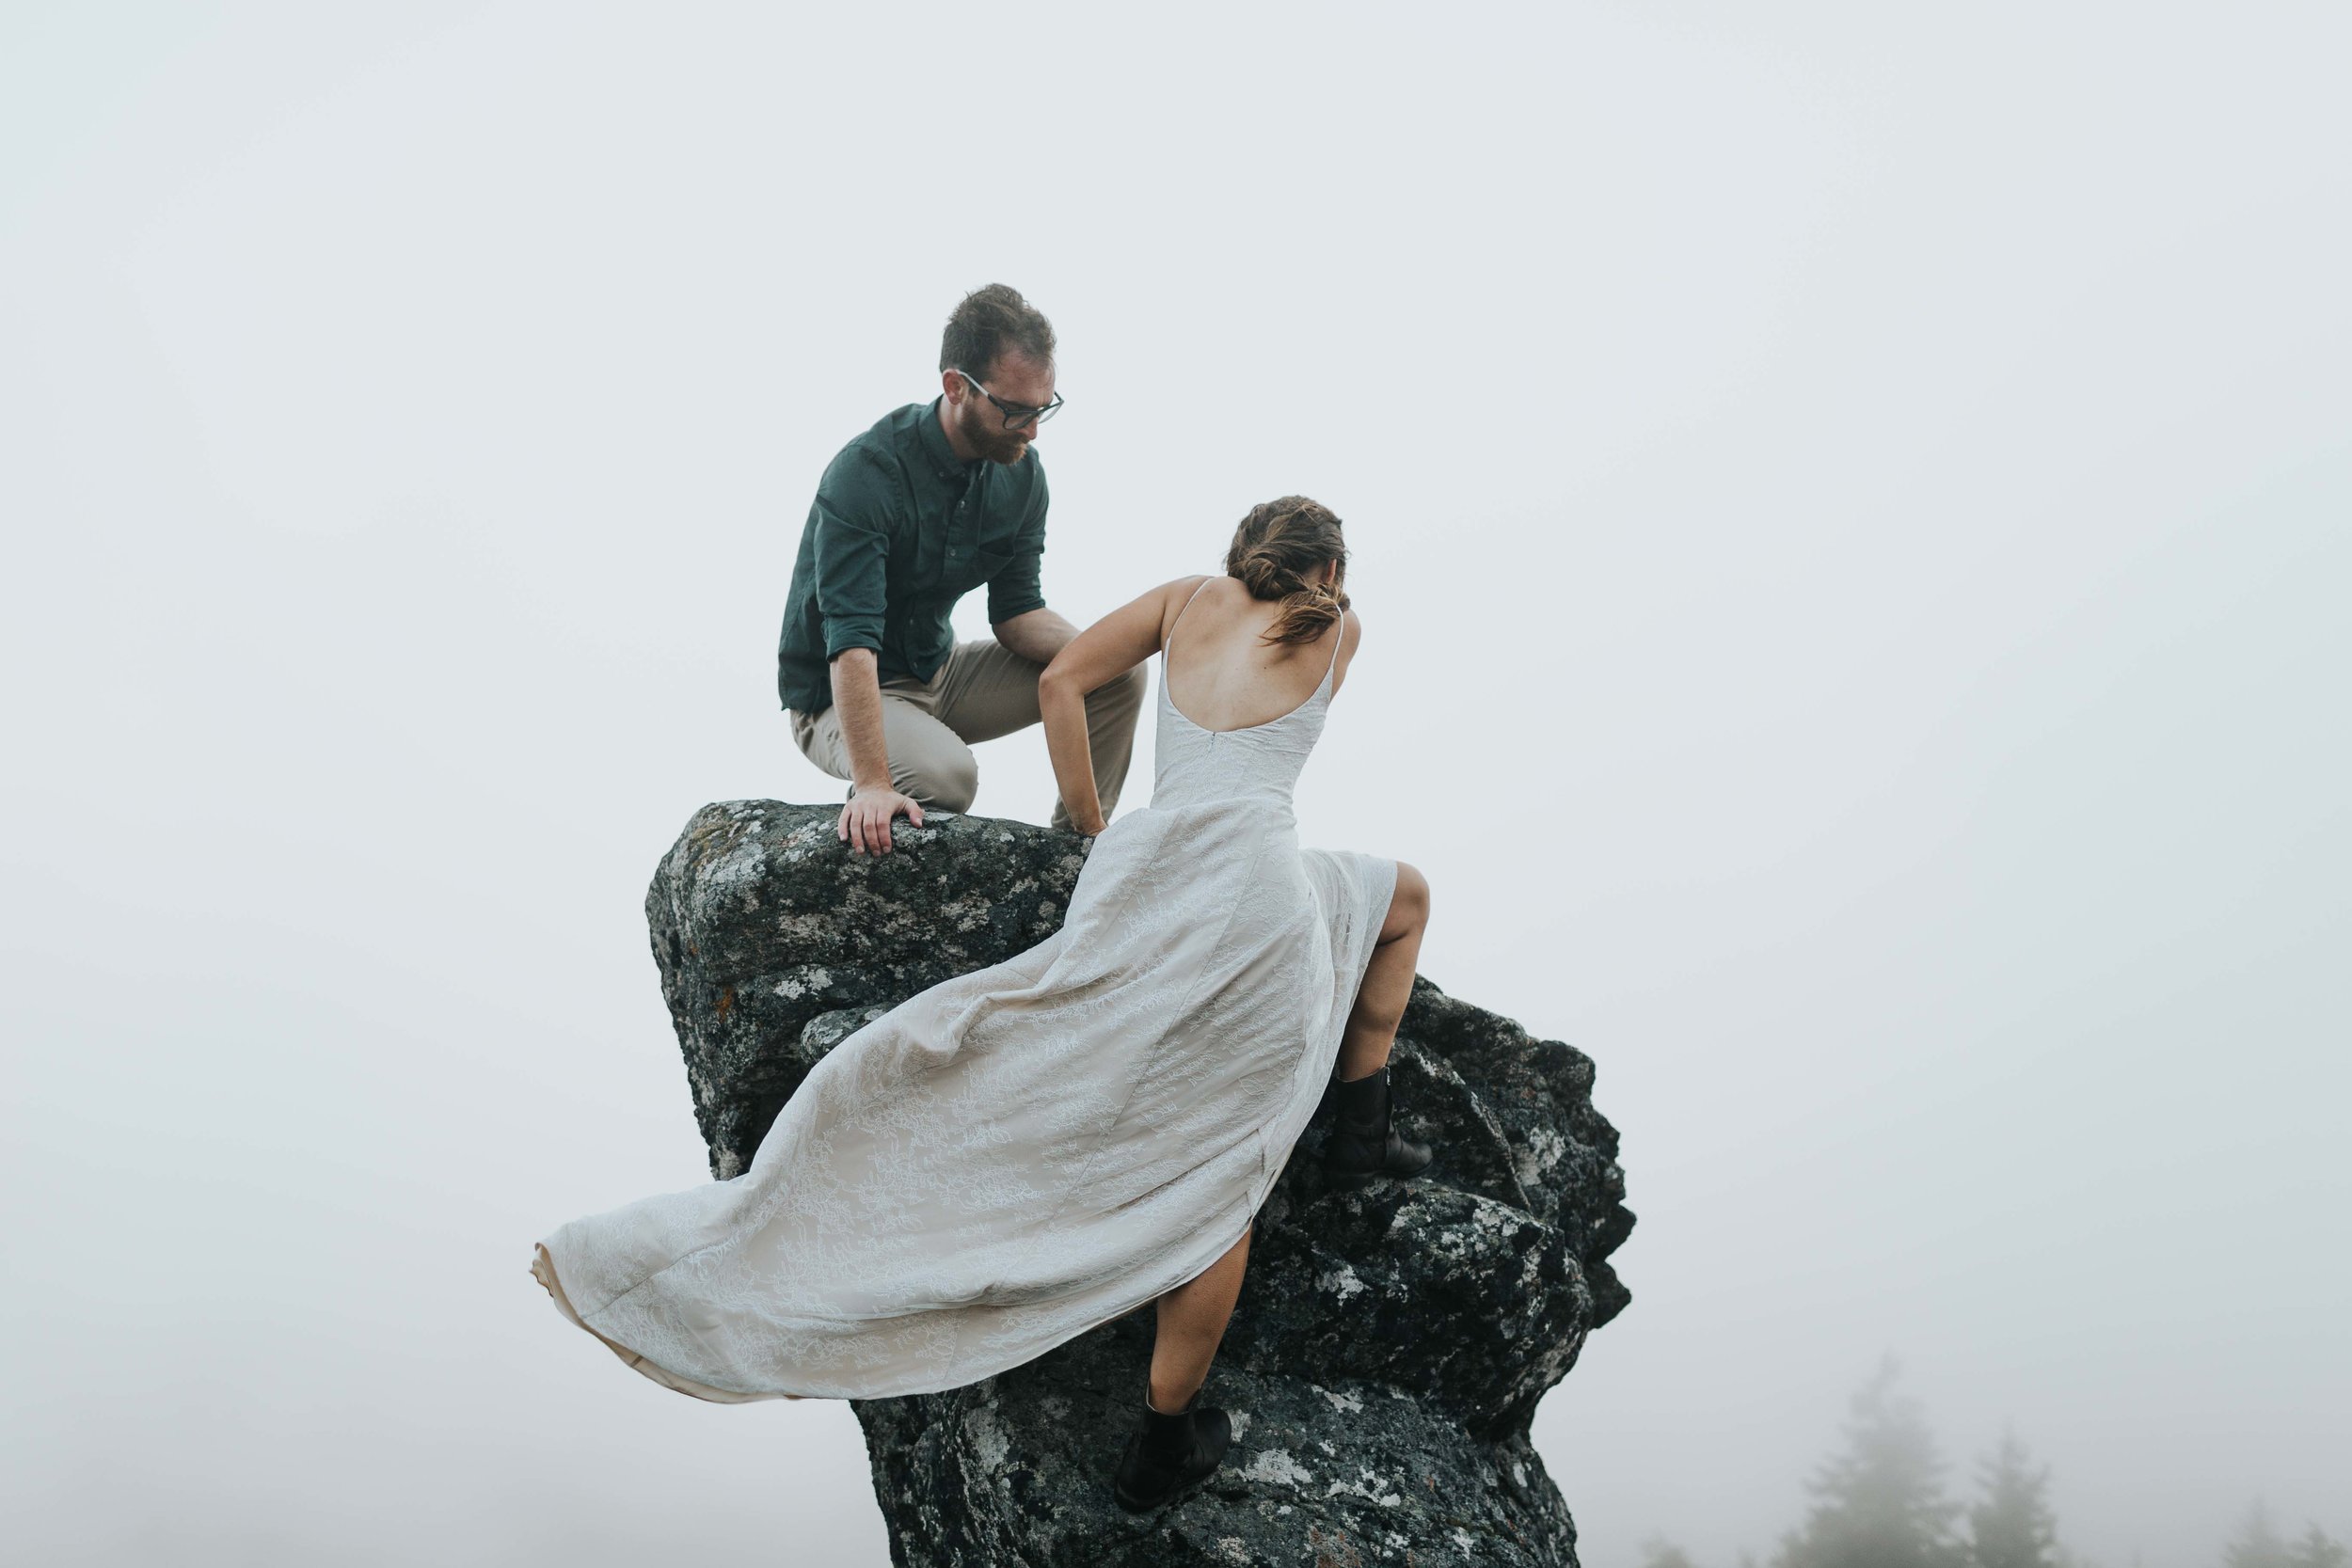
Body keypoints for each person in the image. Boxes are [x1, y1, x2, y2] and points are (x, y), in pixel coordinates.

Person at [532, 496, 1435, 1513]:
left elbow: (1062, 677)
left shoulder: (1186, 599)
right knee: (1223, 1172)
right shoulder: (1338, 625)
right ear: (1329, 564)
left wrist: (1089, 821)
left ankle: (1361, 1128)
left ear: (1239, 550)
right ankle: (1161, 1441)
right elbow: (1265, 739)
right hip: (1260, 891)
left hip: (1148, 868)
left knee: (1393, 892)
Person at [774, 283, 1147, 850]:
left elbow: (1018, 613)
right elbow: (850, 641)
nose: (1033, 428)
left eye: (1044, 407)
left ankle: (1079, 851)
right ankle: (880, 780)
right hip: (838, 693)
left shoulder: (1023, 476)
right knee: (948, 778)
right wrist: (874, 783)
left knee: (1117, 670)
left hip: (939, 673)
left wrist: (1102, 649)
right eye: (1017, 411)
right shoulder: (866, 473)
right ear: (956, 386)